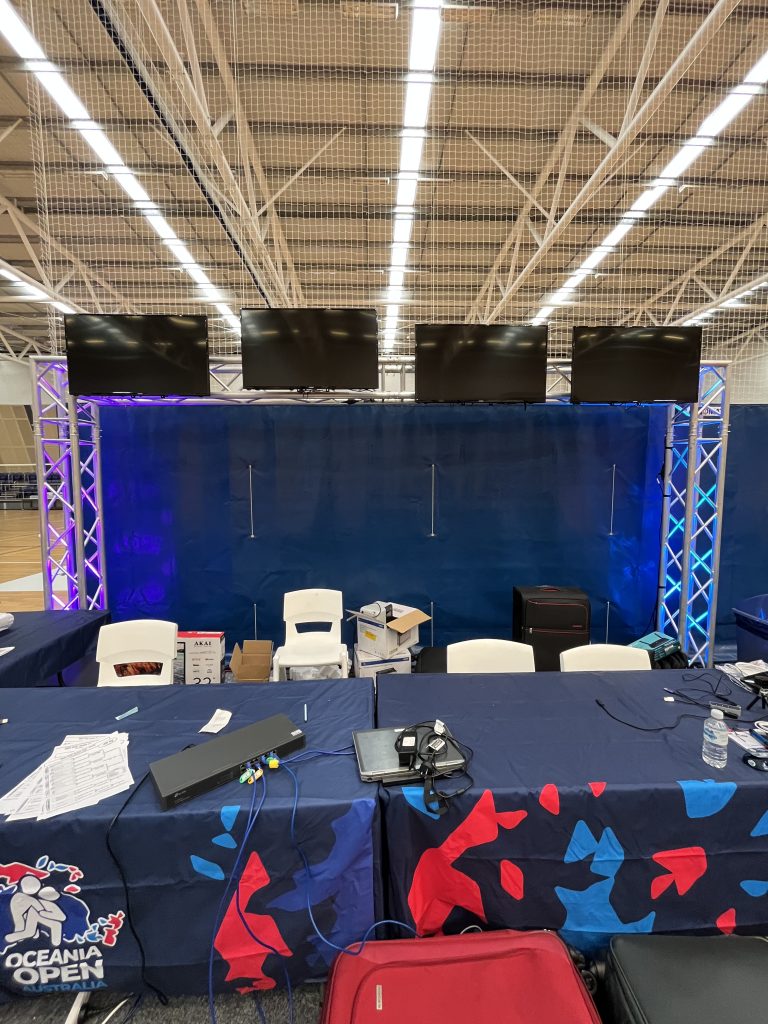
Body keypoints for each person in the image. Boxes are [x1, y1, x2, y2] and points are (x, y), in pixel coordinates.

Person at [4, 874, 65, 947]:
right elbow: (41, 911)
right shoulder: (31, 900)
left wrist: (45, 913)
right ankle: (13, 938)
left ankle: (53, 943)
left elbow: (62, 917)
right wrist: (44, 913)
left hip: (30, 916)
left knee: (56, 925)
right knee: (29, 931)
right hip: (29, 916)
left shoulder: (28, 899)